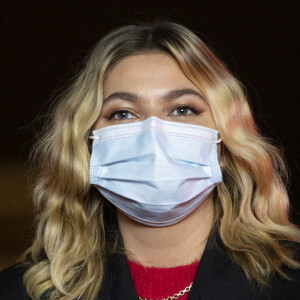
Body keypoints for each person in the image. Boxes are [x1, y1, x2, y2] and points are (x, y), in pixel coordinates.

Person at [0, 21, 299, 300]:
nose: (152, 135)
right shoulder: (19, 291)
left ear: (224, 141)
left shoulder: (290, 282)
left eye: (182, 109)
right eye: (123, 113)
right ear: (87, 144)